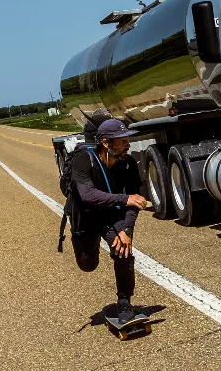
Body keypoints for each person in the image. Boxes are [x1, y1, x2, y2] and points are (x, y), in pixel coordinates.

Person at [70, 119, 147, 323]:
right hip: (86, 217)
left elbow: (135, 202)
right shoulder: (83, 161)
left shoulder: (128, 164)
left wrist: (127, 230)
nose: (127, 145)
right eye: (122, 141)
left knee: (123, 250)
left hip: (112, 216)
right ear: (106, 143)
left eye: (127, 140)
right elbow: (87, 194)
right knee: (87, 264)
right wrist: (124, 199)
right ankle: (92, 242)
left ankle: (124, 303)